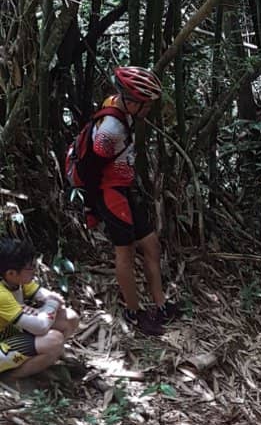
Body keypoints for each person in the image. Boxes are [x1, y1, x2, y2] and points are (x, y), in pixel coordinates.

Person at [85, 65, 179, 337]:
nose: (148, 110)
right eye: (145, 105)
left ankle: (160, 305)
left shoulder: (119, 106)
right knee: (124, 252)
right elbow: (94, 165)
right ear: (130, 101)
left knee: (150, 243)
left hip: (123, 189)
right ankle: (134, 312)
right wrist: (92, 206)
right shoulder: (111, 128)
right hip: (110, 192)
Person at [0, 239, 81, 381]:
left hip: (10, 331)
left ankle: (44, 361)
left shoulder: (15, 282)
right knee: (53, 340)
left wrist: (45, 309)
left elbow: (52, 298)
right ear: (11, 273)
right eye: (30, 268)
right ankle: (11, 377)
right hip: (3, 340)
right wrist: (48, 307)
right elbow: (41, 327)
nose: (35, 270)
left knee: (70, 318)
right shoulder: (2, 294)